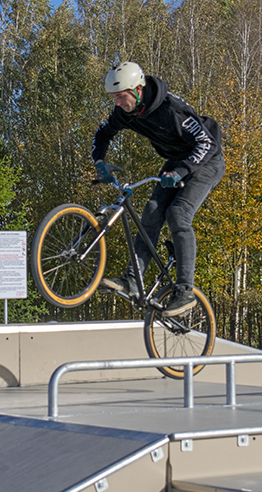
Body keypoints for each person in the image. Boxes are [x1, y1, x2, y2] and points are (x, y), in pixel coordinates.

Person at [92, 61, 225, 317]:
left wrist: (181, 171)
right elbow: (102, 135)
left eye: (121, 97)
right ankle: (133, 279)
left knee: (178, 213)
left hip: (207, 161)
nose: (117, 103)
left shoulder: (171, 110)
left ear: (138, 89)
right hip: (176, 159)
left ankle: (185, 291)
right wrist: (100, 162)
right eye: (113, 98)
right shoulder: (124, 112)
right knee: (152, 211)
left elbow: (207, 143)